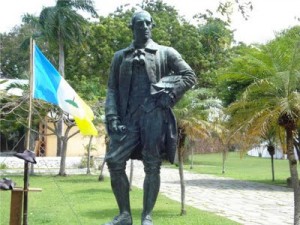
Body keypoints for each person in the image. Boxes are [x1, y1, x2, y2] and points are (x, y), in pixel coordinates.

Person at [104, 10, 197, 225]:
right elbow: (112, 89)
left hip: (154, 116)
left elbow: (189, 75)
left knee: (152, 164)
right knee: (114, 160)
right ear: (132, 27)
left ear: (152, 25)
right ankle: (125, 215)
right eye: (140, 24)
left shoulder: (166, 52)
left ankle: (147, 216)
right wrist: (112, 116)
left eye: (148, 23)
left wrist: (172, 95)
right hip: (127, 119)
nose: (145, 27)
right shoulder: (120, 56)